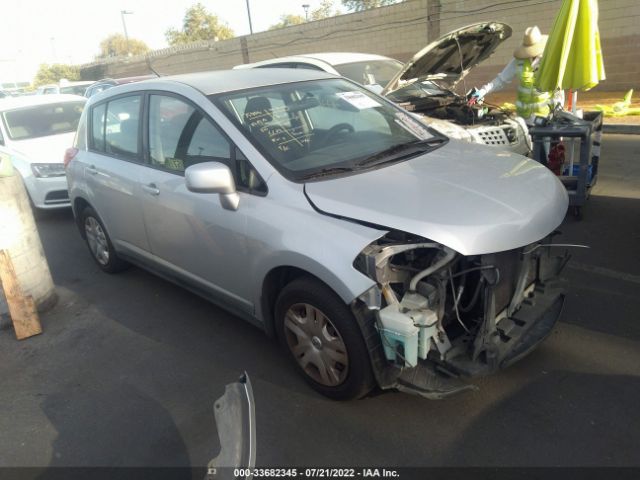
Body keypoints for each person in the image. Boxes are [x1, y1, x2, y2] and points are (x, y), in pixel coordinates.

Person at [468, 26, 563, 123]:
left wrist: (558, 109)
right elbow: (501, 80)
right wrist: (482, 92)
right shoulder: (519, 61)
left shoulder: (548, 61)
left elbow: (557, 87)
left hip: (546, 117)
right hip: (525, 118)